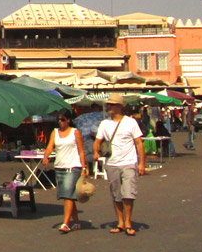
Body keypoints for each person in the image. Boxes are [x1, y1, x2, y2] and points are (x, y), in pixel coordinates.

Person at [91, 94, 145, 236]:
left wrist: (142, 164)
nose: (109, 107)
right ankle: (120, 222)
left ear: (120, 106)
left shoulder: (131, 122)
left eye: (112, 104)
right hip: (112, 163)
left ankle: (128, 222)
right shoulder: (105, 124)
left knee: (128, 193)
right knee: (116, 194)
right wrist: (95, 152)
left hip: (128, 162)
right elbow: (97, 141)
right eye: (108, 104)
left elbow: (139, 143)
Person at [40, 109, 87, 233]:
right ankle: (76, 222)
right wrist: (46, 156)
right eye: (59, 120)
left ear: (69, 120)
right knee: (68, 196)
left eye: (63, 119)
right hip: (59, 167)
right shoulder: (55, 132)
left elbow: (81, 151)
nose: (60, 122)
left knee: (67, 194)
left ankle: (65, 223)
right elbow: (50, 146)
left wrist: (84, 167)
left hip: (73, 166)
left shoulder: (75, 132)